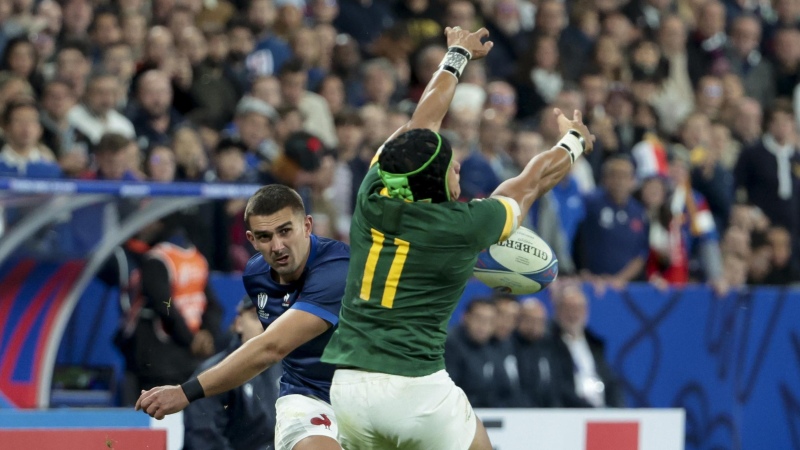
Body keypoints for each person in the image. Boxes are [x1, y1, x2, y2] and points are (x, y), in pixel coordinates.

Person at [321, 26, 594, 450]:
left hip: (348, 390)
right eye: (452, 166)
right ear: (440, 181)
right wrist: (574, 141)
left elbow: (421, 122)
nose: (459, 170)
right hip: (416, 391)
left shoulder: (373, 191)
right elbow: (531, 182)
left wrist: (456, 56)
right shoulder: (462, 225)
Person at [136, 184, 349, 450]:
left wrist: (184, 392)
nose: (277, 246)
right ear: (251, 240)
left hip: (361, 390)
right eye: (264, 236)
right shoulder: (256, 274)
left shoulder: (335, 268)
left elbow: (271, 346)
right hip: (307, 398)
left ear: (307, 226)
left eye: (285, 231)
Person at [183, 296, 282, 450]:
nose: (265, 326)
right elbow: (203, 439)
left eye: (273, 319)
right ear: (239, 324)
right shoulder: (211, 375)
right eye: (256, 317)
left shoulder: (290, 369)